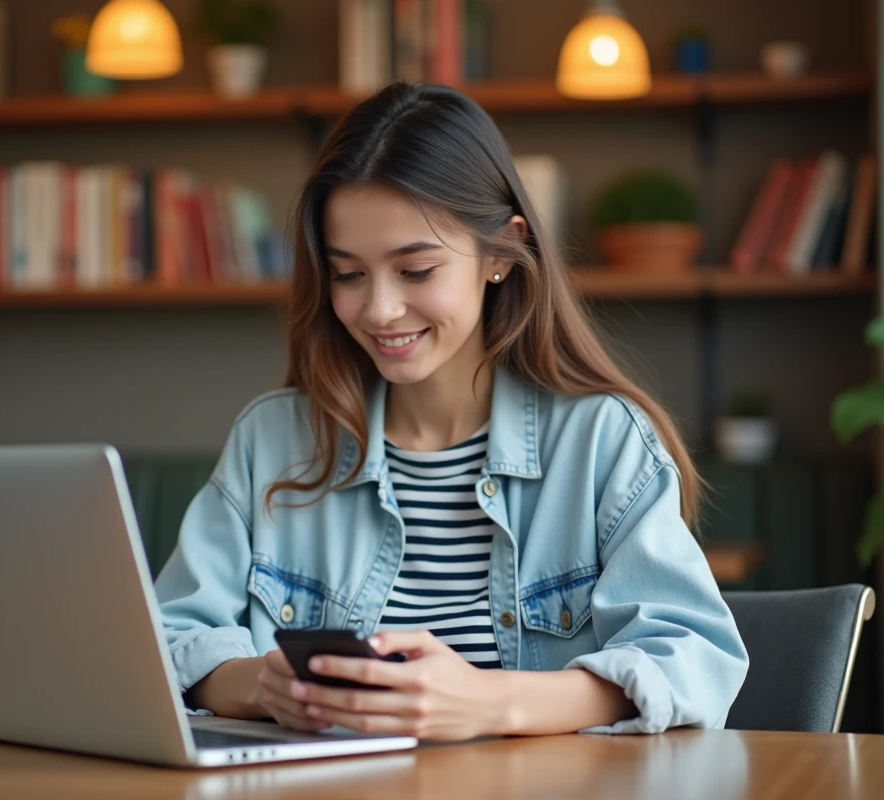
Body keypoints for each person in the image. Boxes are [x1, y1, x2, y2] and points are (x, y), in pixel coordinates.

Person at [155, 81, 748, 741]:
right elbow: (169, 639)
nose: (378, 310)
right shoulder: (272, 439)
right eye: (348, 274)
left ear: (500, 254)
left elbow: (694, 662)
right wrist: (263, 687)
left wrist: (493, 703)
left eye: (415, 271)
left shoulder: (602, 441)